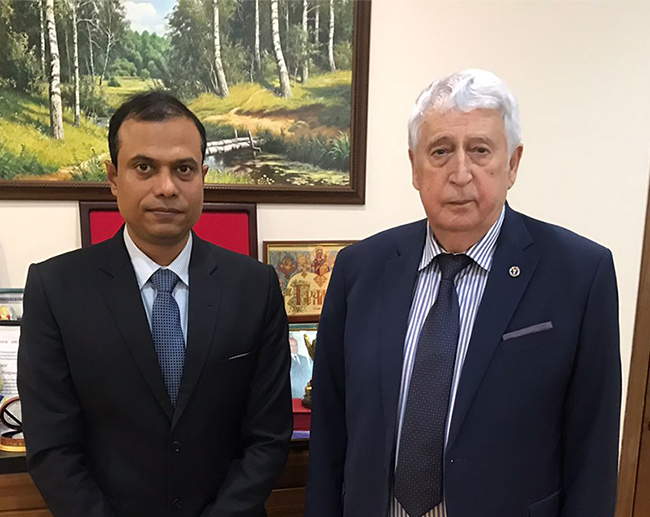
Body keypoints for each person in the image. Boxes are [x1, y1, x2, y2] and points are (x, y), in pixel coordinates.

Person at [305, 69, 621, 517]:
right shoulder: (360, 270)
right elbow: (329, 434)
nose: (460, 173)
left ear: (512, 164)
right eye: (440, 151)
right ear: (415, 167)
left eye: (480, 150)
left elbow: (594, 450)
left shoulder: (580, 274)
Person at [18, 91, 292, 517]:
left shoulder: (255, 287)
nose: (166, 188)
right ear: (113, 177)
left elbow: (268, 436)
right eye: (144, 168)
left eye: (183, 169)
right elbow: (52, 447)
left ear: (202, 176)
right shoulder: (55, 289)